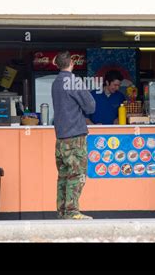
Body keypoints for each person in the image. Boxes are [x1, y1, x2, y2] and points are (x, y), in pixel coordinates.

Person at [52, 51, 96, 220]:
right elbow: (91, 106)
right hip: (75, 136)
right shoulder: (74, 81)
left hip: (61, 137)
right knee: (77, 175)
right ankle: (72, 211)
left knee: (63, 175)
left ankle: (62, 211)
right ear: (72, 63)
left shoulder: (55, 82)